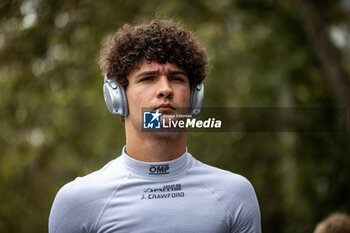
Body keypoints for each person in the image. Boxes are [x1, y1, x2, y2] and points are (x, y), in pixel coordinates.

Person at [49, 19, 261, 233]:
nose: (166, 89)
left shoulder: (234, 195)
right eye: (148, 78)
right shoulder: (78, 202)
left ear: (195, 97)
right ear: (118, 97)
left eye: (177, 79)